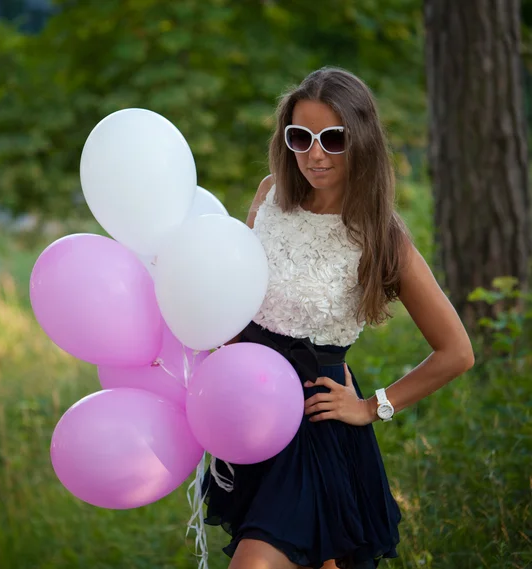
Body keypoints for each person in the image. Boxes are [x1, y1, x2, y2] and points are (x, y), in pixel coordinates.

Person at [200, 67, 475, 569]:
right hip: (248, 412)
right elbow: (235, 295)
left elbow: (457, 351)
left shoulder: (381, 234)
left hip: (314, 420)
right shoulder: (270, 196)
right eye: (301, 137)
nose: (315, 154)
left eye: (333, 138)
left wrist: (373, 407)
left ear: (362, 139)